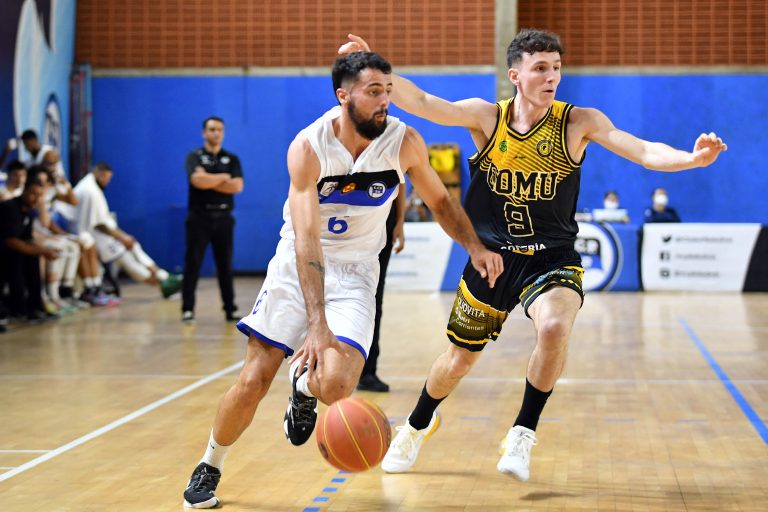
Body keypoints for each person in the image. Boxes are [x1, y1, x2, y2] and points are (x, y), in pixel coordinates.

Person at [339, 30, 726, 482]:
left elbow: (641, 150)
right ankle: (418, 424)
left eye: (556, 68)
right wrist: (374, 66)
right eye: (540, 68)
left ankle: (522, 432)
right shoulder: (488, 118)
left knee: (555, 326)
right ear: (515, 76)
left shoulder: (578, 122)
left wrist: (690, 159)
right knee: (458, 361)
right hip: (492, 258)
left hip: (551, 258)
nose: (551, 77)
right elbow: (423, 102)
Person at [181, 51, 503, 509]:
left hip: (356, 271)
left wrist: (474, 247)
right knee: (255, 378)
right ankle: (210, 464)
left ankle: (303, 387)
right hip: (299, 263)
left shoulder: (404, 141)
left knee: (335, 387)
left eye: (387, 91)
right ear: (343, 96)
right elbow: (307, 240)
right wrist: (316, 324)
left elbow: (441, 202)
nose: (384, 100)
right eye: (373, 92)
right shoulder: (309, 147)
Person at [73, 162, 182, 298]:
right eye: (107, 178)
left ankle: (163, 276)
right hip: (93, 235)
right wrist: (121, 237)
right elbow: (98, 224)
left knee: (134, 245)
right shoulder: (90, 190)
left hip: (101, 234)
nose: (108, 182)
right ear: (100, 174)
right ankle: (164, 285)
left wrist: (123, 236)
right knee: (128, 260)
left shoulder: (91, 186)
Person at [181, 116, 244, 323]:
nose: (216, 133)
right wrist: (223, 178)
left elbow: (237, 186)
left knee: (225, 265)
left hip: (224, 217)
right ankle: (187, 309)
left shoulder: (231, 159)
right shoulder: (194, 156)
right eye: (211, 129)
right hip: (199, 217)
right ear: (204, 132)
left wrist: (209, 178)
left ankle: (230, 309)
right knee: (193, 263)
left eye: (219, 130)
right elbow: (197, 181)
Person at [357, 183, 406, 392]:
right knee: (332, 294)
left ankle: (368, 371)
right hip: (350, 220)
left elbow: (401, 179)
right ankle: (321, 364)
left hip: (384, 221)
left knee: (374, 298)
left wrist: (400, 220)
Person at [0, 176, 59, 322]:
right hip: (5, 251)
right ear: (25, 191)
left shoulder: (29, 211)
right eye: (33, 194)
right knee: (18, 257)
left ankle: (35, 306)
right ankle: (18, 308)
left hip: (13, 250)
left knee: (33, 257)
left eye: (40, 195)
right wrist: (42, 251)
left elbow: (27, 239)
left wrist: (45, 250)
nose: (36, 199)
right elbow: (11, 241)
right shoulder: (9, 208)